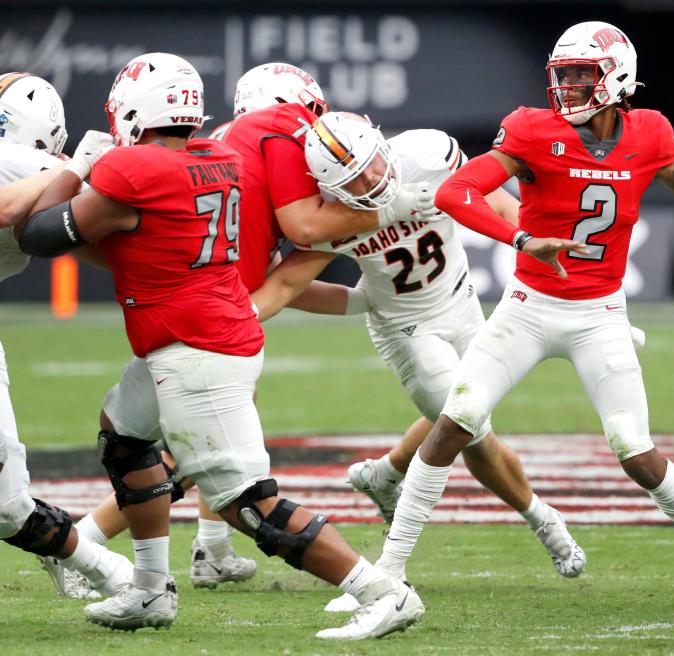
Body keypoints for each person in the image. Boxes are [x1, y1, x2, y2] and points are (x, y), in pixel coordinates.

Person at [379, 20, 674, 614]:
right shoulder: (533, 129)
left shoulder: (650, 133)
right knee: (455, 420)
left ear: (617, 75)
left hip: (600, 315)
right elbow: (457, 192)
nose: (567, 88)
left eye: (582, 75)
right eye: (562, 76)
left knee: (636, 450)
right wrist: (520, 238)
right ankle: (386, 573)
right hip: (529, 309)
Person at [17, 53, 423, 639]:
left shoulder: (135, 169)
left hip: (197, 349)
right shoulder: (220, 157)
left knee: (246, 502)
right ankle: (150, 590)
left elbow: (39, 233)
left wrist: (76, 168)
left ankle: (380, 590)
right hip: (196, 333)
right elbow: (136, 239)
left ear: (133, 109)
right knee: (124, 435)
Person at [250, 112, 592, 614]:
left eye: (370, 167)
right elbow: (283, 285)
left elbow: (490, 197)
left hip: (464, 300)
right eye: (352, 181)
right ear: (328, 187)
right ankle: (541, 518)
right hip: (407, 329)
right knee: (467, 423)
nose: (370, 183)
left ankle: (385, 473)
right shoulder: (328, 218)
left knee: (456, 415)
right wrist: (238, 315)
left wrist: (529, 241)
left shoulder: (427, 154)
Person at [0, 71, 133, 602]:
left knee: (9, 505)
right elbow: (9, 208)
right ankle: (104, 568)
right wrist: (76, 167)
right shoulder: (35, 164)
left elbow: (71, 238)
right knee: (8, 504)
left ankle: (96, 566)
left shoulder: (40, 174)